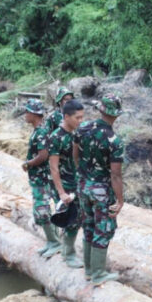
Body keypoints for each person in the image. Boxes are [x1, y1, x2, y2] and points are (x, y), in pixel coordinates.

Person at [75, 93, 124, 284]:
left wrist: (84, 175)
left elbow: (75, 155)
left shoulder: (82, 129)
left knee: (88, 225)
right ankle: (98, 274)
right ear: (116, 115)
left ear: (100, 110)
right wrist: (120, 200)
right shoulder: (114, 141)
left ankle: (88, 270)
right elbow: (115, 174)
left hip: (83, 186)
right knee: (103, 229)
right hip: (102, 191)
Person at [48, 99, 86, 270]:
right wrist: (61, 193)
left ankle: (67, 250)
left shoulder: (76, 135)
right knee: (71, 218)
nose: (80, 121)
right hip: (64, 185)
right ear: (66, 117)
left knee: (77, 218)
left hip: (76, 182)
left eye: (82, 117)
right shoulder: (56, 137)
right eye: (77, 118)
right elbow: (53, 168)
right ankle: (68, 255)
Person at [21, 98, 61, 257]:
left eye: (27, 112)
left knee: (42, 210)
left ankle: (54, 242)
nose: (25, 115)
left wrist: (28, 164)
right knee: (41, 210)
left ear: (34, 114)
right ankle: (51, 241)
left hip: (42, 178)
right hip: (38, 178)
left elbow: (43, 155)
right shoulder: (39, 130)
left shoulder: (41, 132)